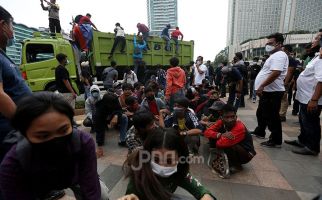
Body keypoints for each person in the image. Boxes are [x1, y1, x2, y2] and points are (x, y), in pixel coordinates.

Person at [0, 92, 109, 200]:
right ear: (24, 134)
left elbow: (91, 186)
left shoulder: (83, 142)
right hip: (36, 186)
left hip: (74, 177)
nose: (55, 139)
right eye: (43, 136)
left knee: (102, 196)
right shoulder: (14, 163)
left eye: (63, 130)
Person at [119, 128, 216, 200]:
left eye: (169, 161)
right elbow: (131, 195)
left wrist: (206, 196)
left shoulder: (180, 172)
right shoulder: (139, 173)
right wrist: (131, 197)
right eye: (156, 159)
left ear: (180, 158)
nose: (162, 166)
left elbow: (201, 190)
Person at [0, 6, 32, 163]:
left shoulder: (2, 55)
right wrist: (26, 123)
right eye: (12, 25)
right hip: (10, 135)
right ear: (2, 25)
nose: (12, 31)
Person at [285, 32, 322, 156]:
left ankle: (312, 147)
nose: (313, 41)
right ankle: (303, 141)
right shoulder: (317, 56)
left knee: (311, 122)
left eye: (317, 38)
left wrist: (314, 99)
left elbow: (321, 80)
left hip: (311, 98)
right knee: (303, 120)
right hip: (305, 96)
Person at [252, 33, 288, 148]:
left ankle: (275, 140)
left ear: (279, 44)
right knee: (262, 113)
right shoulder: (273, 55)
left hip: (273, 92)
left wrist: (262, 85)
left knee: (272, 116)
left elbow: (276, 73)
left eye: (270, 43)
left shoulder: (279, 55)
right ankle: (260, 131)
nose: (268, 45)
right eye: (267, 43)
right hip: (268, 91)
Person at [204, 104, 256, 178]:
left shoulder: (239, 127)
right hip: (230, 143)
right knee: (215, 135)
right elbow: (207, 132)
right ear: (221, 117)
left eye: (232, 117)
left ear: (236, 117)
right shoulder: (220, 122)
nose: (230, 119)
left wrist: (219, 136)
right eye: (227, 117)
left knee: (230, 145)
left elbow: (220, 144)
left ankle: (237, 166)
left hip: (246, 154)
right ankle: (222, 156)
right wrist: (220, 135)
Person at [95, 93, 129, 158]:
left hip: (113, 116)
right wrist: (99, 144)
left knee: (124, 117)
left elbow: (119, 109)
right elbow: (99, 126)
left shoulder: (114, 100)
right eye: (111, 104)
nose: (114, 105)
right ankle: (100, 140)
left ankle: (122, 140)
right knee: (101, 134)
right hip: (102, 118)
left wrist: (116, 116)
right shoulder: (99, 108)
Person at [279, 45, 297, 122]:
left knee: (283, 98)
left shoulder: (290, 59)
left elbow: (290, 72)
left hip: (284, 82)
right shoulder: (285, 59)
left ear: (286, 50)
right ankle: (280, 113)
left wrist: (285, 83)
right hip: (280, 81)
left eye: (282, 50)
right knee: (281, 98)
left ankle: (282, 115)